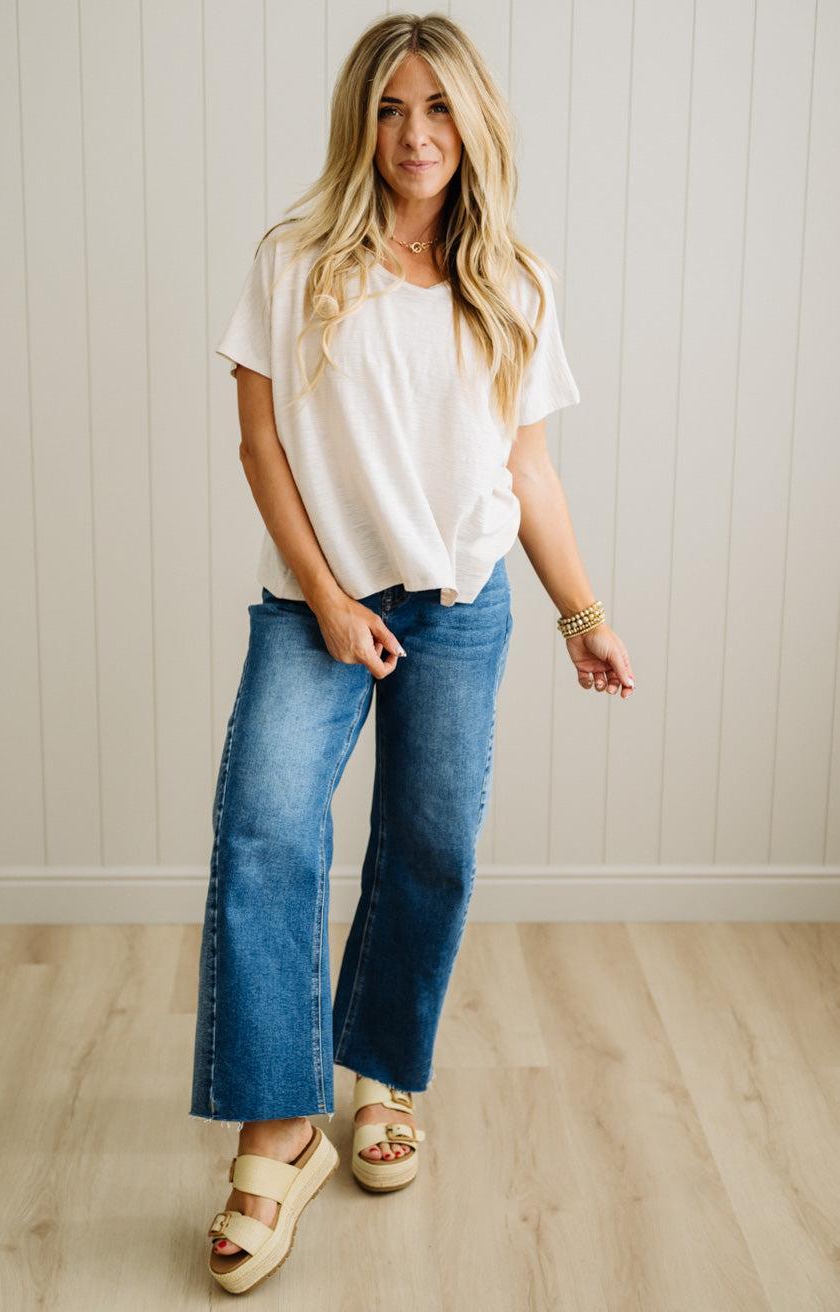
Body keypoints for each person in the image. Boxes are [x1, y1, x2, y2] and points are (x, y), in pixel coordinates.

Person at [190, 11, 636, 1295]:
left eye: (436, 108)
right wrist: (329, 599)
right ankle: (280, 1129)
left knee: (429, 844)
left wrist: (582, 615)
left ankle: (383, 1071)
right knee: (268, 829)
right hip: (315, 602)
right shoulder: (292, 261)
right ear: (360, 123)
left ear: (471, 123)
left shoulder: (516, 282)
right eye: (389, 109)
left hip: (461, 602)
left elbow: (528, 472)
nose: (414, 134)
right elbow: (261, 451)